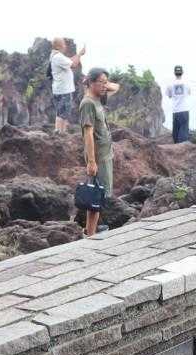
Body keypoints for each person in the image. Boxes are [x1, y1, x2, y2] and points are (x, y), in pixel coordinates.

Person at [79, 67, 118, 237]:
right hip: (98, 157)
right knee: (95, 195)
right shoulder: (88, 103)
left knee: (99, 194)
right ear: (91, 83)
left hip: (105, 154)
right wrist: (91, 161)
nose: (105, 86)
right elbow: (88, 132)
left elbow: (116, 87)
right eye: (101, 82)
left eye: (105, 82)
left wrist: (103, 84)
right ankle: (90, 233)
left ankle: (91, 230)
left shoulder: (98, 99)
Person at [50, 38, 85, 134]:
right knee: (64, 112)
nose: (65, 46)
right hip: (64, 90)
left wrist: (78, 54)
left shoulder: (56, 56)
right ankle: (60, 132)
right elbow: (74, 64)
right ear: (59, 46)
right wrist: (80, 54)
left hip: (60, 89)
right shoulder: (58, 57)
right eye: (64, 44)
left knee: (60, 111)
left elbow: (69, 60)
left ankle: (59, 131)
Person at [165, 65, 192, 143]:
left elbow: (169, 96)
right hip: (184, 110)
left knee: (176, 132)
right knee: (184, 131)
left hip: (175, 111)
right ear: (182, 73)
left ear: (174, 73)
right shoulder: (187, 83)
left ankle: (176, 146)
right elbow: (189, 93)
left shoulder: (170, 84)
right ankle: (182, 147)